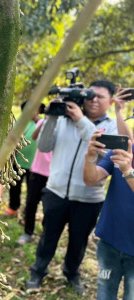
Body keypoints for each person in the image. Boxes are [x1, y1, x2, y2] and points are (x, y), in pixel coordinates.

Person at [26, 80, 118, 295]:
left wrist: (81, 120)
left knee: (78, 241)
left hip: (89, 197)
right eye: (90, 95)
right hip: (56, 191)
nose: (93, 100)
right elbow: (44, 145)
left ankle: (72, 272)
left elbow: (105, 151)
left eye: (100, 97)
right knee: (48, 236)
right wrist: (51, 116)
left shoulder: (111, 126)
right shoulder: (64, 119)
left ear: (111, 101)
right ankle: (38, 271)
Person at [83, 87, 134, 300]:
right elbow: (91, 179)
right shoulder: (121, 150)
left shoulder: (125, 161)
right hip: (109, 243)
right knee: (105, 293)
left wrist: (128, 172)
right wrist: (89, 156)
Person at [17, 110, 52, 245]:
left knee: (48, 207)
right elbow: (34, 135)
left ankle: (46, 234)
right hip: (37, 170)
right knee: (31, 203)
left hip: (53, 173)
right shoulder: (43, 122)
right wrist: (48, 120)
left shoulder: (65, 126)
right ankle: (28, 232)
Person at [4, 101, 39, 216]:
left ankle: (29, 212)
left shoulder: (41, 122)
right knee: (15, 187)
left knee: (32, 190)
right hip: (17, 161)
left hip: (34, 164)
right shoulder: (19, 122)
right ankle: (13, 208)